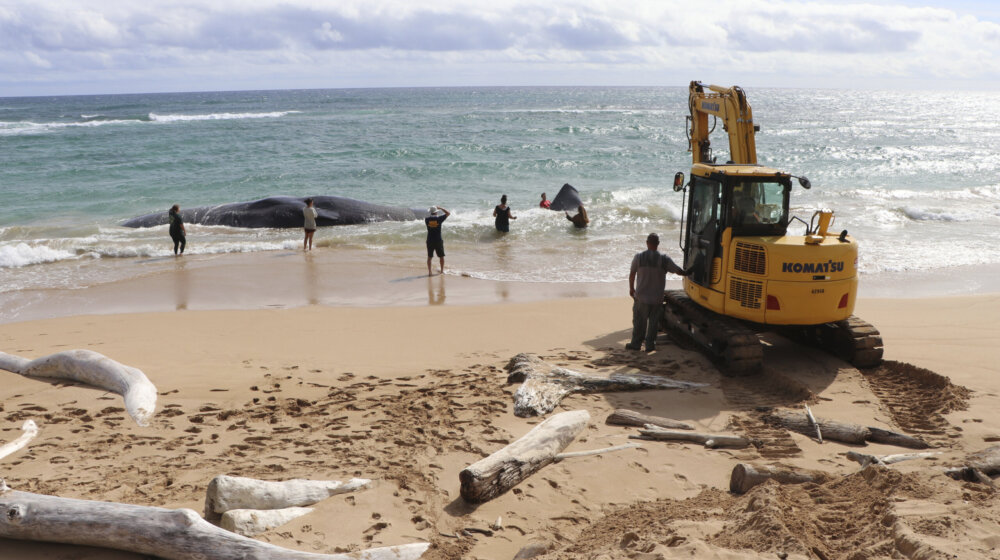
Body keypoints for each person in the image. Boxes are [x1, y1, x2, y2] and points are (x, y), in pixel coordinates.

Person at [627, 233, 689, 352]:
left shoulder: (638, 257)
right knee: (653, 324)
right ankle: (650, 345)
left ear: (647, 243)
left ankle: (636, 344)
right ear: (658, 244)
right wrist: (688, 272)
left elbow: (632, 274)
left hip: (641, 297)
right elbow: (677, 271)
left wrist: (631, 289)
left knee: (639, 322)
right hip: (657, 298)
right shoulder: (664, 259)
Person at [425, 205, 450, 275]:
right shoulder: (439, 219)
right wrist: (441, 208)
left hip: (429, 240)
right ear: (436, 212)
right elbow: (448, 213)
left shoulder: (427, 220)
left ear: (430, 212)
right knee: (441, 256)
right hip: (438, 240)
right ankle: (442, 271)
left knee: (429, 257)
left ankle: (430, 272)